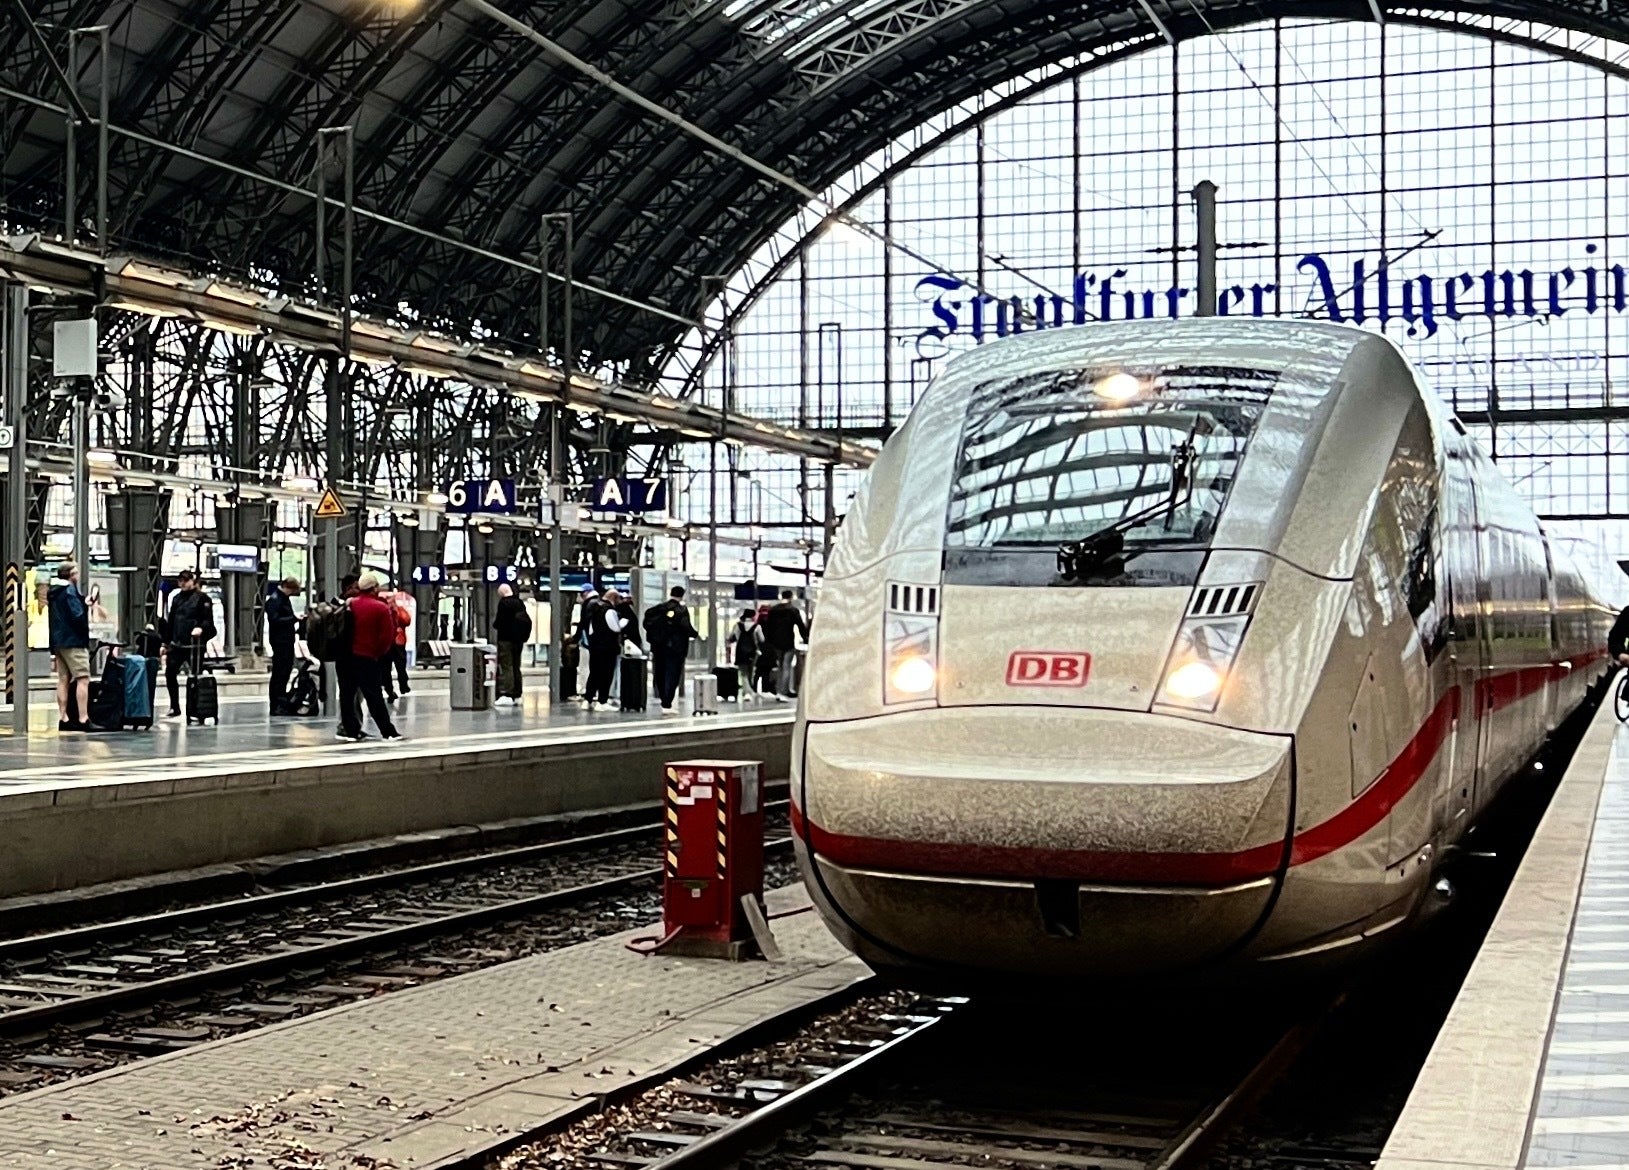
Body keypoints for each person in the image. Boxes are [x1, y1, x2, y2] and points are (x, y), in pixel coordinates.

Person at [341, 573, 403, 743]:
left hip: (346, 658)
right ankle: (388, 731)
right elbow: (387, 637)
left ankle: (351, 731)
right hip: (367, 657)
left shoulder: (349, 604)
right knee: (374, 695)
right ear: (374, 587)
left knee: (347, 696)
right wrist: (377, 653)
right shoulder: (380, 608)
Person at [163, 570, 217, 717]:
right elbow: (171, 622)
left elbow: (208, 622)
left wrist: (200, 628)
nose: (183, 584)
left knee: (195, 677)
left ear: (193, 581)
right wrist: (166, 643)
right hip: (177, 644)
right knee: (170, 673)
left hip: (194, 646)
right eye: (180, 581)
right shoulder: (176, 599)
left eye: (185, 581)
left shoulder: (203, 599)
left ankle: (195, 707)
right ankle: (174, 706)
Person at [48, 561, 91, 732]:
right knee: (83, 679)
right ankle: (83, 718)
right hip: (74, 641)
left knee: (63, 679)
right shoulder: (70, 591)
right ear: (71, 574)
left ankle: (63, 717)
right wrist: (85, 607)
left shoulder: (54, 592)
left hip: (59, 642)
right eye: (76, 572)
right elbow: (78, 616)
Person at [643, 586, 699, 714]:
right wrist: (695, 634)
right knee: (672, 674)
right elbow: (686, 627)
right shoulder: (681, 610)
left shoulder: (657, 609)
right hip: (675, 648)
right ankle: (667, 703)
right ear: (682, 595)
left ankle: (663, 698)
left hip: (658, 647)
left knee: (660, 673)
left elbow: (647, 623)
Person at [585, 587, 631, 709]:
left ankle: (588, 699)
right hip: (607, 647)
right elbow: (615, 628)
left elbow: (590, 629)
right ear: (614, 598)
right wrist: (623, 623)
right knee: (606, 674)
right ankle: (602, 701)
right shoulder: (609, 610)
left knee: (594, 673)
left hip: (594, 646)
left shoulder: (594, 608)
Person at [761, 591, 809, 700]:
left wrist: (769, 641)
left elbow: (768, 627)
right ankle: (784, 691)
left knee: (780, 667)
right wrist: (805, 638)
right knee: (787, 666)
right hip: (788, 642)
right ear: (791, 597)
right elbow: (800, 625)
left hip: (776, 644)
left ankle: (779, 690)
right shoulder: (792, 610)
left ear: (781, 596)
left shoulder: (773, 610)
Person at [265, 576, 302, 715]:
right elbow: (274, 620)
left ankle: (280, 701)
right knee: (280, 673)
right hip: (280, 641)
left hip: (285, 640)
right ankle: (277, 703)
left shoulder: (282, 598)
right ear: (287, 587)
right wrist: (294, 619)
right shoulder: (275, 600)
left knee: (284, 671)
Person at [492, 583, 532, 707]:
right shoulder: (519, 603)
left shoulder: (504, 603)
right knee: (516, 666)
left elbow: (498, 623)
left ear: (502, 593)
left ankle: (506, 693)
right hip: (518, 641)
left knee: (506, 666)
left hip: (506, 639)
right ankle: (517, 693)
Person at [383, 590, 412, 701]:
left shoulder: (399, 610)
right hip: (386, 643)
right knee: (385, 669)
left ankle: (403, 684)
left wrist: (396, 610)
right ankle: (389, 690)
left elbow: (406, 620)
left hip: (398, 642)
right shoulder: (382, 610)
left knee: (401, 665)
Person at [572, 584, 600, 700]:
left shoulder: (587, 604)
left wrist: (576, 638)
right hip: (597, 641)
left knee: (584, 666)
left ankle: (584, 689)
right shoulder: (599, 602)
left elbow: (583, 623)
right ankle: (595, 690)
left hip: (587, 641)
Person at [728, 607, 760, 699]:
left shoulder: (737, 625)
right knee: (750, 672)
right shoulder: (756, 626)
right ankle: (749, 691)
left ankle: (747, 692)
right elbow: (761, 639)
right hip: (752, 652)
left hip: (740, 651)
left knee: (743, 673)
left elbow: (731, 637)